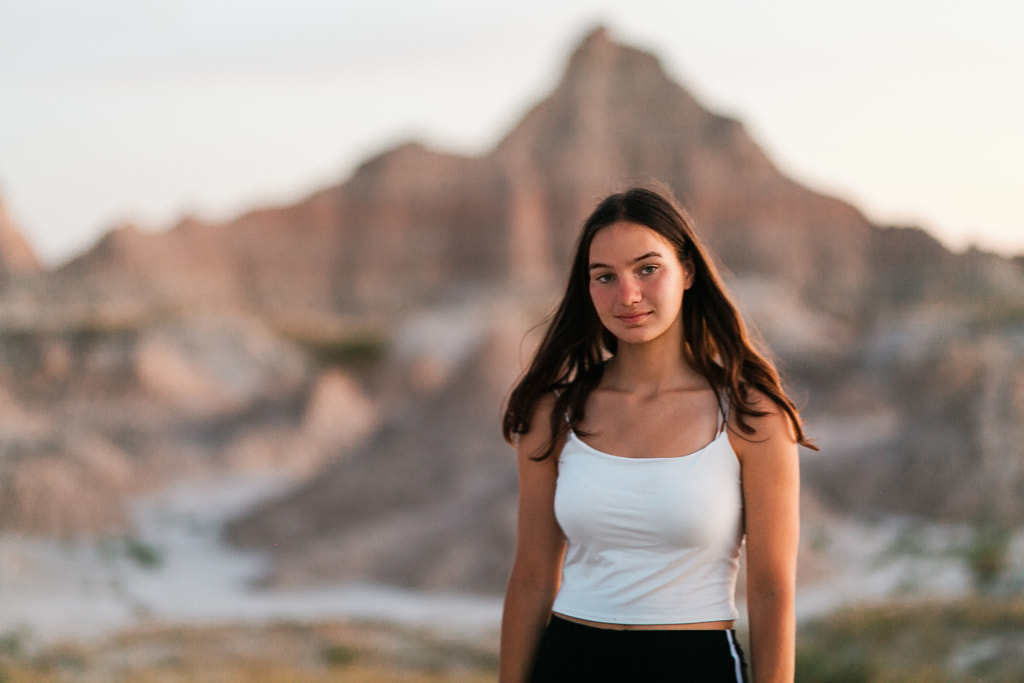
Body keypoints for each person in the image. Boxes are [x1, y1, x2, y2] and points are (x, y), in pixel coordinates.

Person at [499, 185, 814, 682]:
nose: (628, 295)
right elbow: (532, 580)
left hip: (696, 666)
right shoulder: (553, 415)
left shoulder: (752, 418)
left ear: (687, 271)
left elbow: (772, 590)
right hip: (568, 663)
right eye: (605, 276)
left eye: (648, 269)